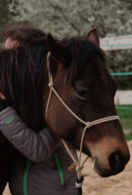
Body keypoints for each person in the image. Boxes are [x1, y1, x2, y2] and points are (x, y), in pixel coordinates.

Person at [0, 24, 77, 195]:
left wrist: (3, 110)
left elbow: (38, 149)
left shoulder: (52, 104)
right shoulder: (23, 99)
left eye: (11, 56)